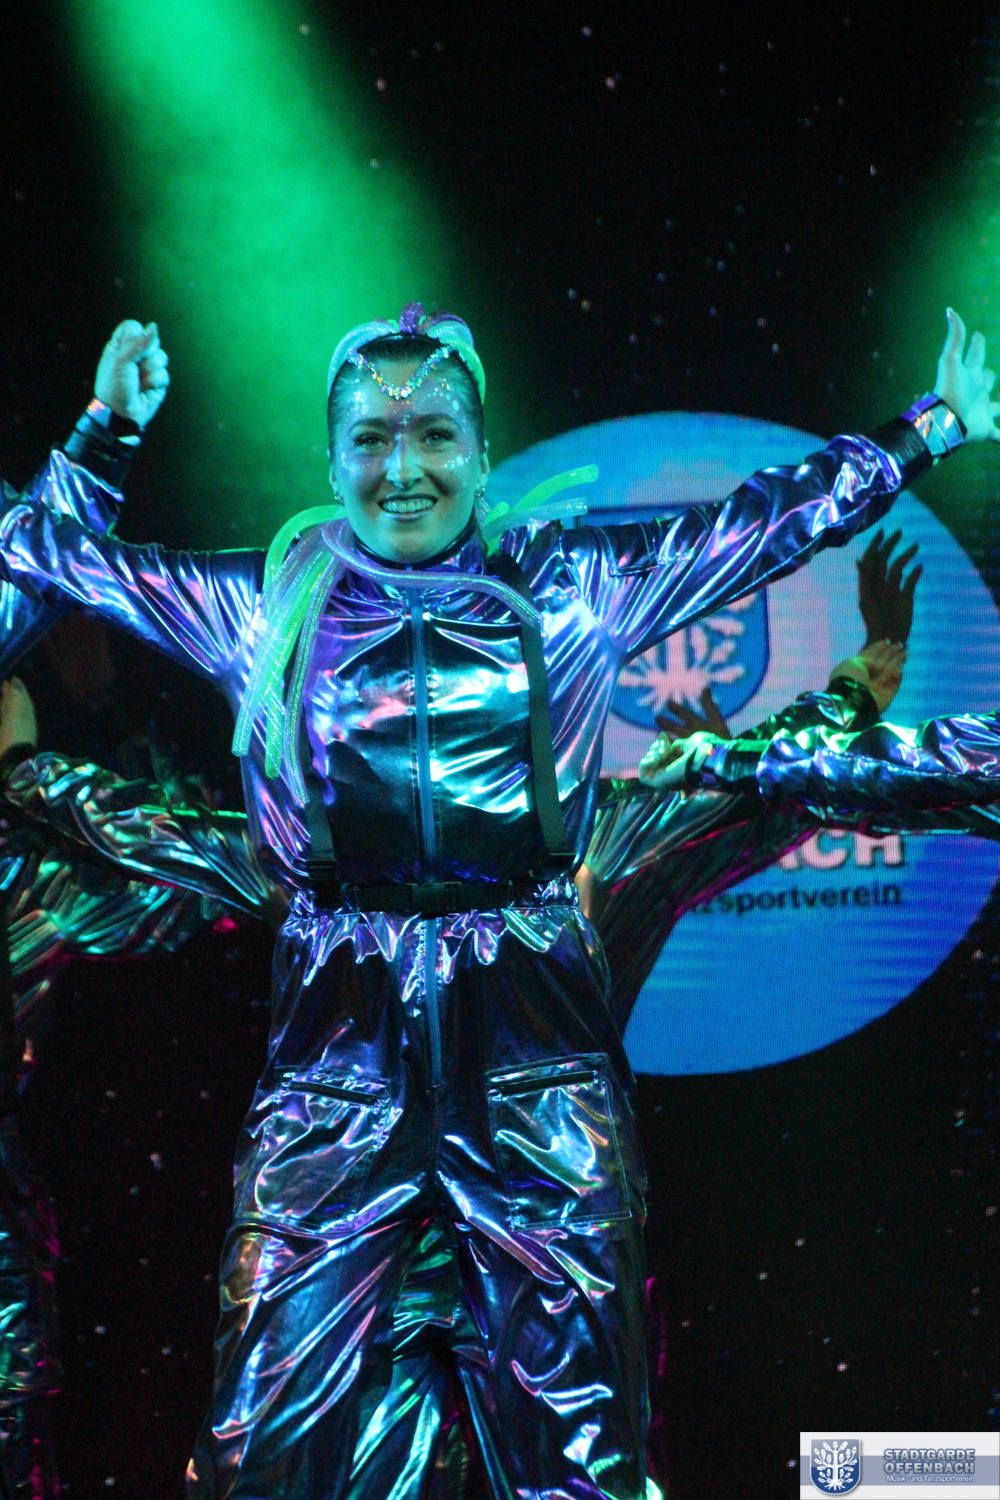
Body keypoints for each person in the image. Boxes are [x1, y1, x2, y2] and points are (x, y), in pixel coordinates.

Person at [0, 302, 995, 1500]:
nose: (403, 468)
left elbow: (754, 527)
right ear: (330, 459)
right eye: (371, 440)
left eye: (433, 436)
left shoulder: (570, 588)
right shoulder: (267, 602)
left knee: (579, 1450)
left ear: (480, 450)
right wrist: (104, 432)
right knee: (263, 1442)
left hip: (531, 1050)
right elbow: (58, 559)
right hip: (339, 1055)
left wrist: (929, 428)